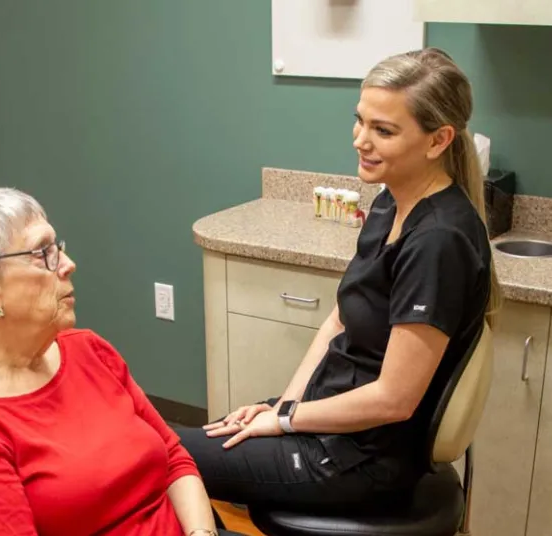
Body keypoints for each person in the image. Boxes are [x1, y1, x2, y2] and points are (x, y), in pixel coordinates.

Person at [176, 47, 501, 511]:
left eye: (383, 130)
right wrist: (285, 406)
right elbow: (340, 320)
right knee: (176, 443)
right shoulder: (392, 200)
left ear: (438, 140)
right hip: (330, 421)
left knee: (162, 455)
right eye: (360, 120)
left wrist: (287, 422)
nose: (360, 140)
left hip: (362, 461)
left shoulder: (438, 242)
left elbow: (394, 400)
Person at [0, 188, 240, 536]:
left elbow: (173, 457)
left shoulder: (87, 350)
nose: (68, 264)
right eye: (42, 253)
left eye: (58, 248)